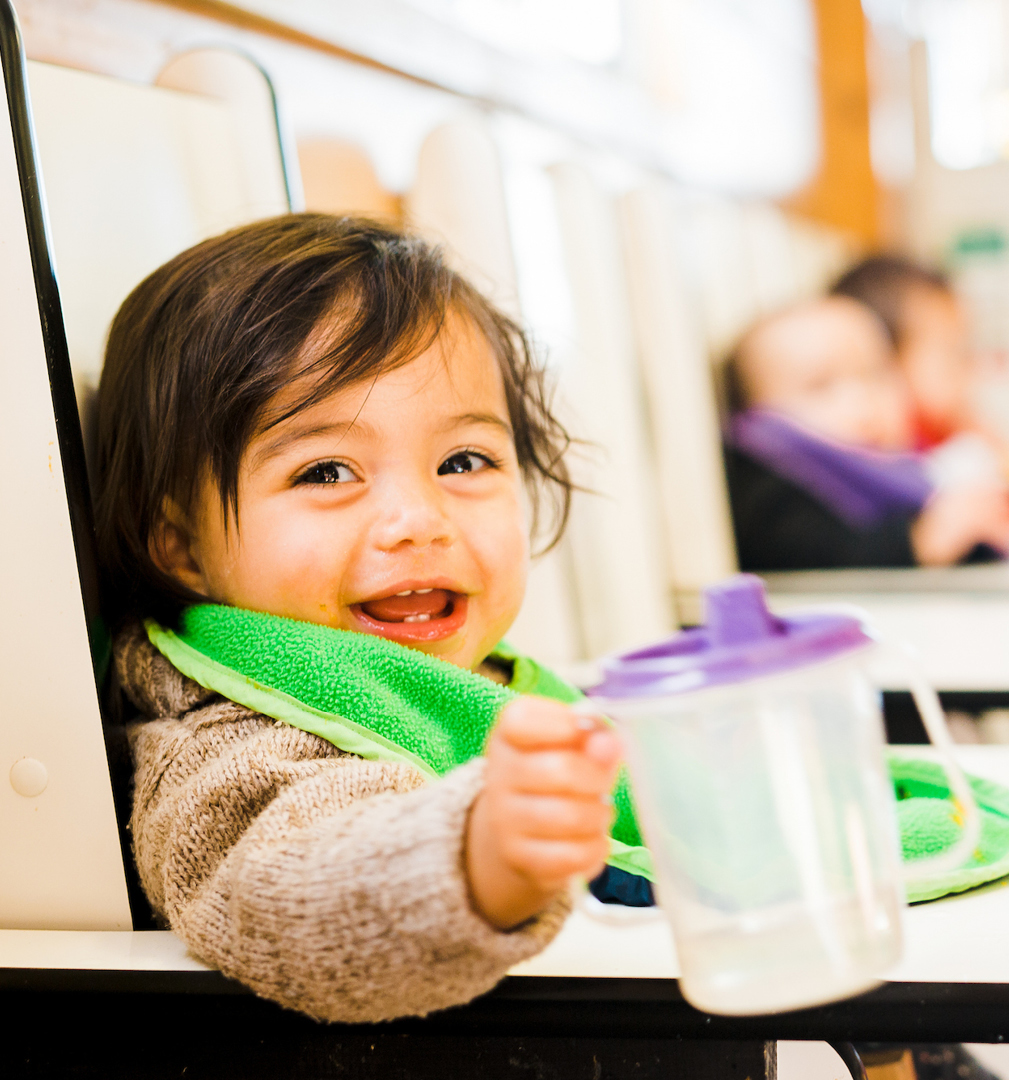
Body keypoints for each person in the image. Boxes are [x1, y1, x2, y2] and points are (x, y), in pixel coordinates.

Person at [91, 214, 628, 1022]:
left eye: (463, 461)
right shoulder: (224, 745)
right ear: (183, 547)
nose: (419, 519)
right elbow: (286, 889)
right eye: (328, 470)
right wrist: (474, 858)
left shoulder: (462, 678)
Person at [721, 296, 1009, 571]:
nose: (863, 400)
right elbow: (803, 554)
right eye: (821, 385)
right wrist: (920, 541)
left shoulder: (896, 471)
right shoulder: (768, 486)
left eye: (874, 374)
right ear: (759, 420)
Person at [832, 255, 1009, 516]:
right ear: (883, 363)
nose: (968, 368)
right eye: (953, 353)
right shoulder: (881, 449)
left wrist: (991, 442)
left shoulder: (945, 434)